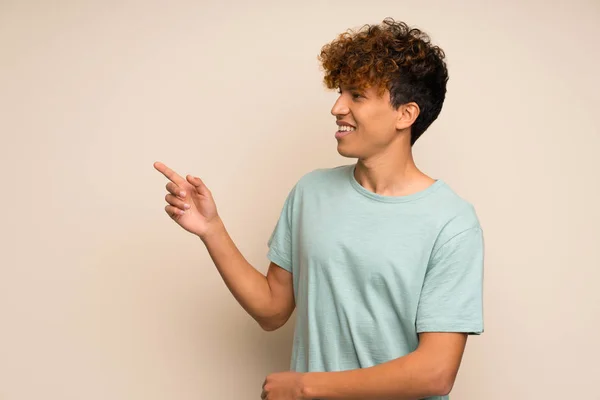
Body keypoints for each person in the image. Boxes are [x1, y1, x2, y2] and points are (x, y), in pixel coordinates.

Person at [154, 17, 484, 400]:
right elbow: (272, 310)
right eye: (341, 91)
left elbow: (435, 372)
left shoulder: (451, 222)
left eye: (357, 95)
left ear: (405, 114)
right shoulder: (311, 192)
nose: (337, 107)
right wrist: (211, 230)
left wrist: (306, 386)